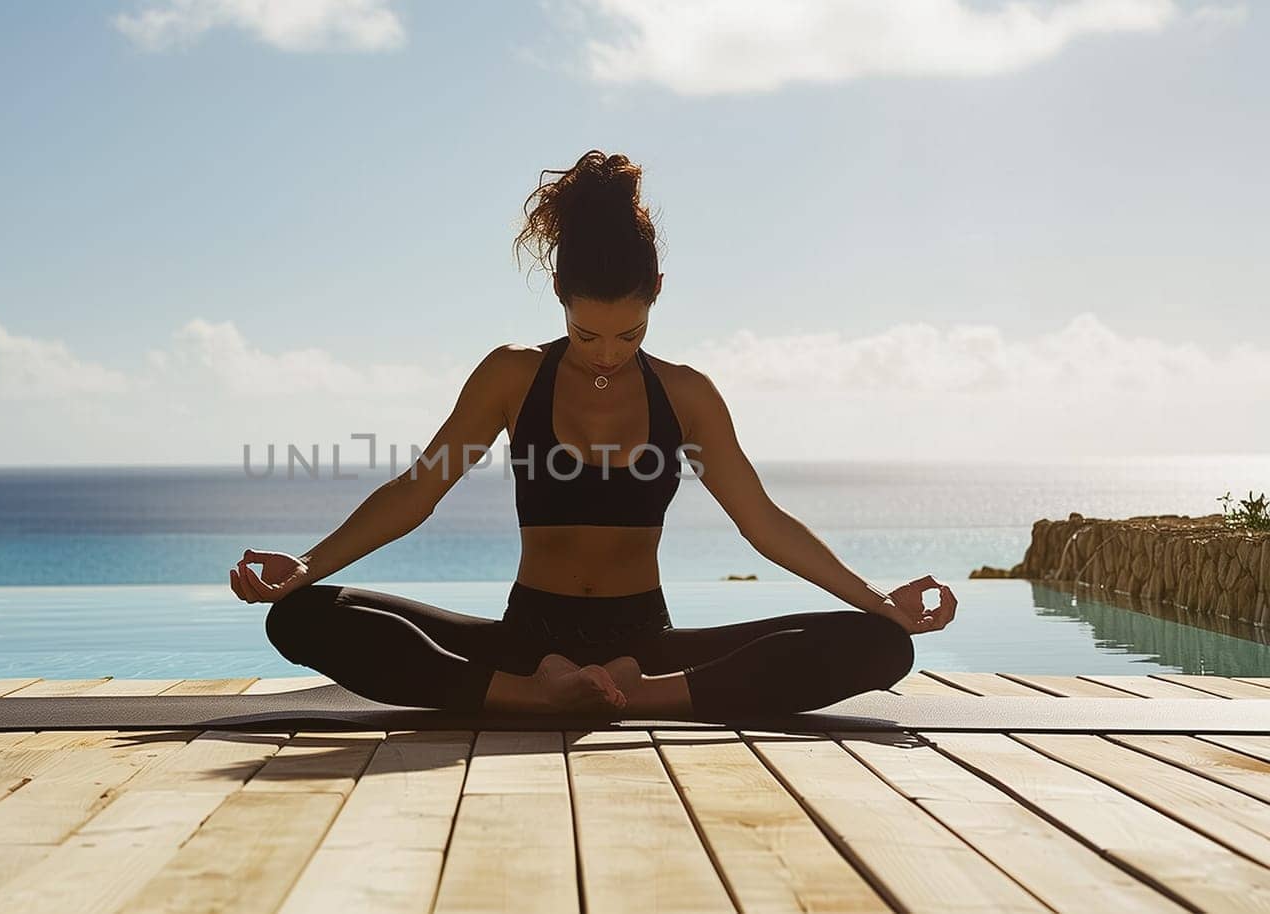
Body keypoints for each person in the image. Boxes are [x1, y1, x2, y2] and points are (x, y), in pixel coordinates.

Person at [227, 149, 957, 720]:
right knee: (304, 617)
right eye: (586, 333)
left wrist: (876, 597)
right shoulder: (512, 376)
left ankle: (635, 695)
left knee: (880, 645)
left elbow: (761, 522)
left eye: (629, 332)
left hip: (644, 645)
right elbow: (421, 489)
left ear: (658, 293)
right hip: (524, 641)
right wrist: (308, 564)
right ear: (558, 296)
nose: (607, 352)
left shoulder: (687, 395)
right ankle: (532, 691)